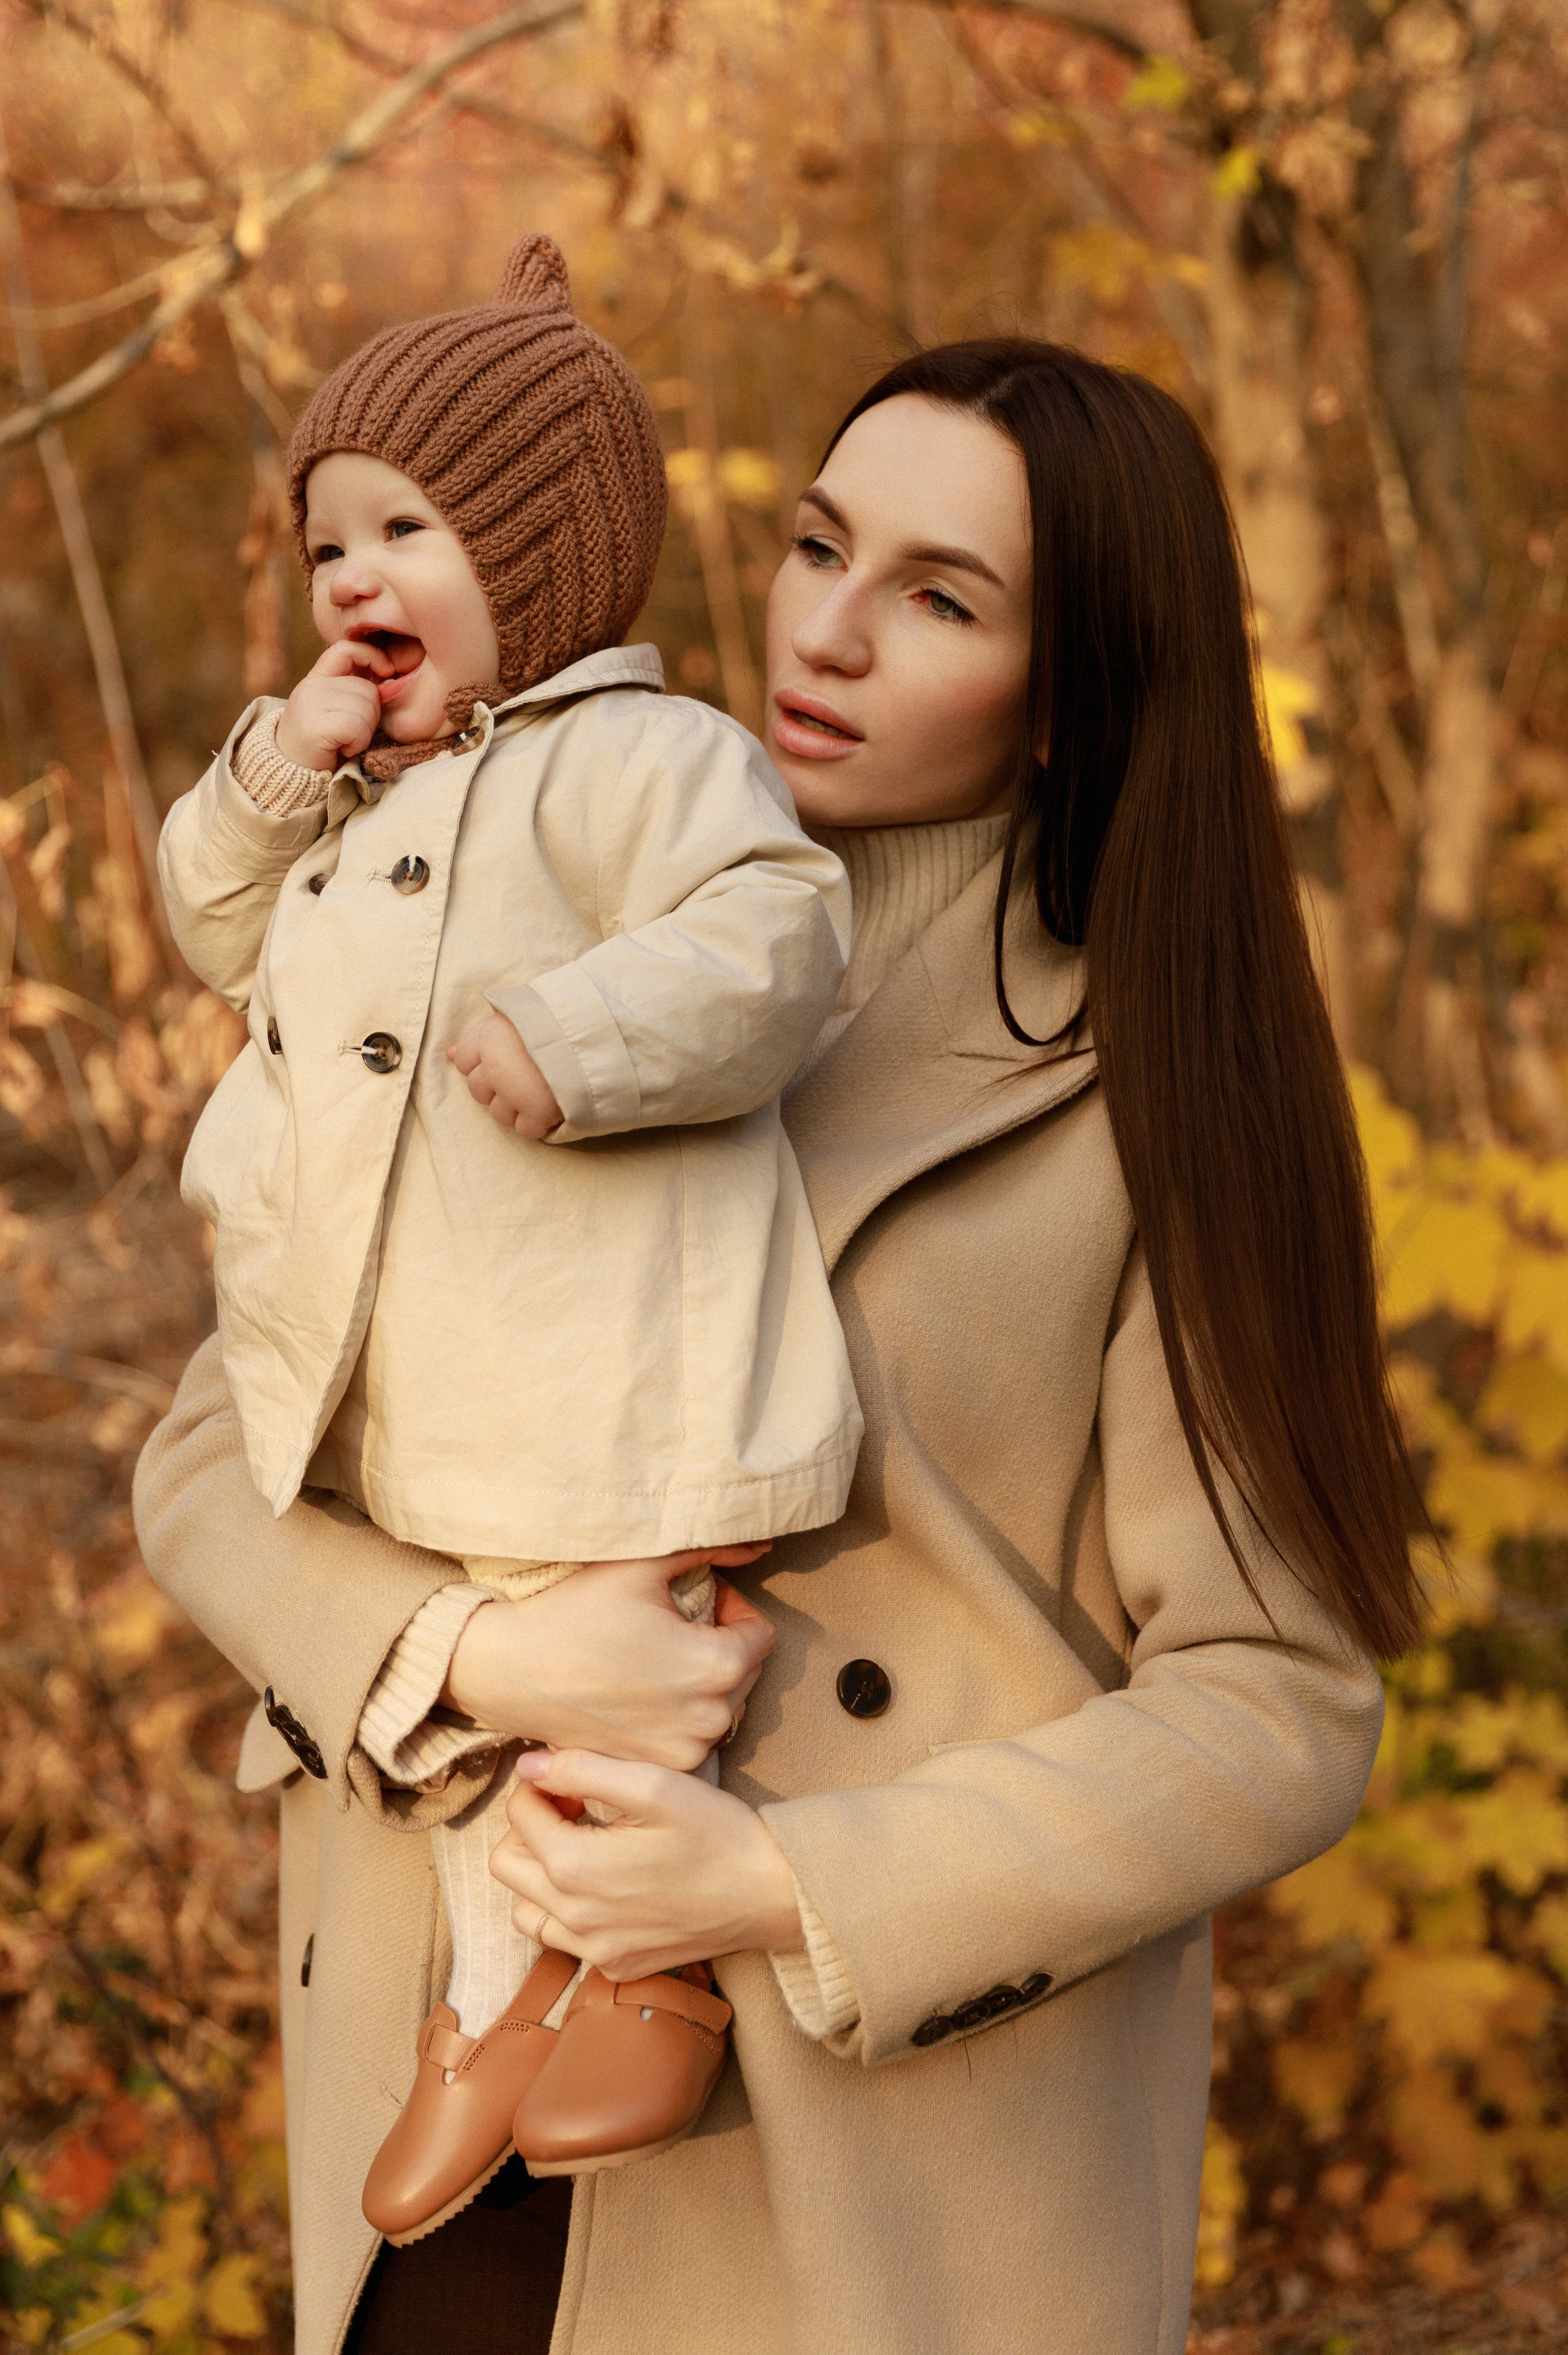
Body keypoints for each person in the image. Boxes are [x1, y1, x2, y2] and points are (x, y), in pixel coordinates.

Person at [134, 335, 1420, 2355]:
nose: (824, 629)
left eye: (938, 596)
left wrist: (791, 1890)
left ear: (1076, 686)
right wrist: (462, 1656)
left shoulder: (1155, 1088)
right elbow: (217, 1447)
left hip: (865, 2188)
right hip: (437, 2083)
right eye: (821, 545)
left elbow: (1278, 1701)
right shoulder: (538, 919)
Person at [154, 235, 860, 2246]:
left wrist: (577, 1030)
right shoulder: (354, 797)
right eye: (327, 547)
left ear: (544, 560)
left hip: (605, 1355)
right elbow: (211, 929)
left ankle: (604, 1974)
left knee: (619, 1678)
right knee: (494, 1704)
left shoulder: (640, 762)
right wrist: (284, 760)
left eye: (410, 531)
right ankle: (499, 1987)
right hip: (415, 1374)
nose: (355, 580)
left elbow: (774, 936)